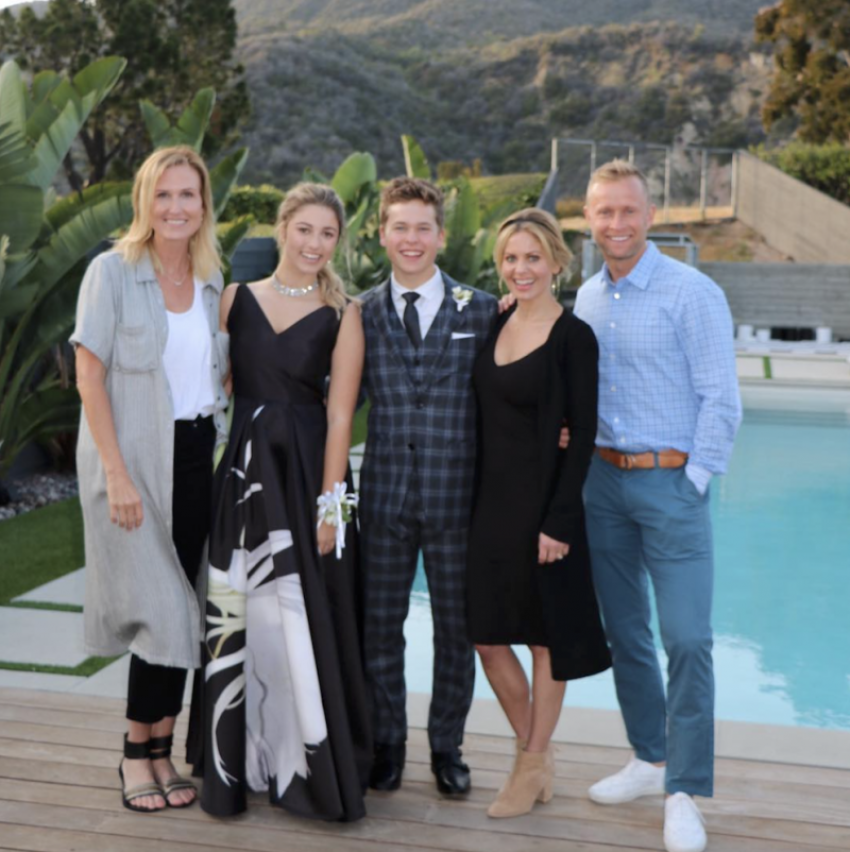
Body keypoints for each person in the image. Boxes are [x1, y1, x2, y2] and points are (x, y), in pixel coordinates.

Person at [190, 183, 371, 821]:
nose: (315, 244)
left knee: (305, 611)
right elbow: (214, 383)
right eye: (305, 230)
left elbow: (342, 418)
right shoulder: (235, 299)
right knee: (237, 611)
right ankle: (235, 763)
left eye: (328, 234)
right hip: (241, 477)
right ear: (283, 227)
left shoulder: (345, 312)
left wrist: (332, 511)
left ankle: (308, 764)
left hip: (306, 477)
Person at [575, 160, 741, 852]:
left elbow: (722, 398)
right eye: (604, 211)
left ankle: (685, 791)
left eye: (628, 211)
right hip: (603, 484)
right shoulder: (586, 297)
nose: (616, 223)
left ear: (649, 216)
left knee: (688, 639)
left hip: (671, 484)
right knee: (625, 633)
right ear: (589, 219)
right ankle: (649, 757)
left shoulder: (691, 292)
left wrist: (692, 479)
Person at [72, 146, 229, 813]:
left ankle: (162, 749)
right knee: (159, 609)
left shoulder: (212, 280)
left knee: (183, 609)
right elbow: (89, 376)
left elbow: (220, 375)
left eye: (187, 194)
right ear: (145, 201)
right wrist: (117, 474)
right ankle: (135, 753)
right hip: (132, 460)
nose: (175, 207)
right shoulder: (111, 272)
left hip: (195, 456)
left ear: (203, 204)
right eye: (163, 194)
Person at [467, 208, 611, 818]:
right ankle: (538, 753)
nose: (520, 268)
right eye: (510, 258)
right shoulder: (495, 321)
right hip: (490, 505)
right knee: (488, 637)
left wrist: (559, 522)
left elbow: (582, 436)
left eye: (532, 257)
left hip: (543, 509)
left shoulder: (574, 337)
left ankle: (528, 765)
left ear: (557, 262)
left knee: (544, 640)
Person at [358, 177, 497, 796]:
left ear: (441, 235)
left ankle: (448, 747)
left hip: (458, 500)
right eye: (400, 227)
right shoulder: (359, 312)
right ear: (382, 234)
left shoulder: (484, 309)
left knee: (455, 632)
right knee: (380, 628)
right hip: (384, 499)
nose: (411, 239)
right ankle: (387, 743)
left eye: (423, 228)